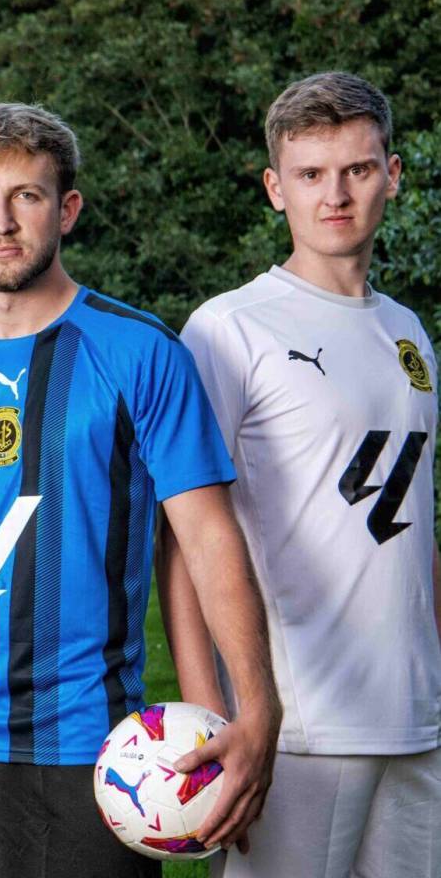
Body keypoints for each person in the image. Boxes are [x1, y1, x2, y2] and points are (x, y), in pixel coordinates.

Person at [0, 103, 281, 877]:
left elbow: (207, 537)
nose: (3, 220)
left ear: (67, 210)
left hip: (89, 748)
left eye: (26, 195)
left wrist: (255, 709)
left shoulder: (139, 351)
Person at [162, 71, 441, 878]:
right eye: (312, 175)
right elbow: (183, 539)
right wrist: (210, 718)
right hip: (297, 724)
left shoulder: (409, 331)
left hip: (416, 719)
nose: (337, 195)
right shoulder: (229, 328)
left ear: (391, 174)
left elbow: (413, 517)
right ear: (275, 189)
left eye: (357, 170)